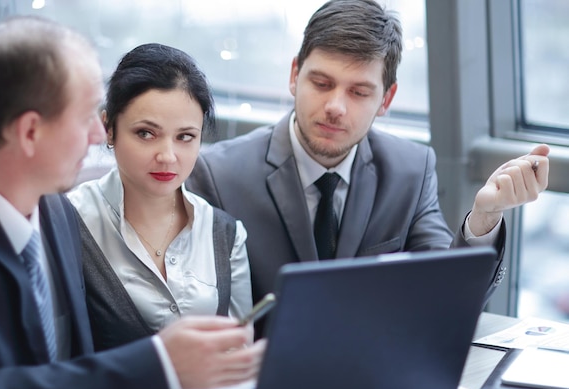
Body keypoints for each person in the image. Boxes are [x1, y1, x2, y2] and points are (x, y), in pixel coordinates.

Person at [0, 16, 263, 389]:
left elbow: (59, 363)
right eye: (86, 117)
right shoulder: (71, 213)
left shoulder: (52, 209)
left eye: (186, 136)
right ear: (29, 133)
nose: (99, 134)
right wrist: (161, 363)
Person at [186, 0, 550, 338]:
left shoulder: (410, 169)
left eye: (359, 92)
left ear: (386, 99)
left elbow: (447, 295)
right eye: (321, 83)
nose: (335, 107)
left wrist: (485, 217)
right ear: (295, 74)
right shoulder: (218, 174)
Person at [67, 43, 253, 351]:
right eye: (146, 133)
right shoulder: (69, 222)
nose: (167, 156)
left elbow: (238, 353)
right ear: (108, 129)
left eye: (185, 137)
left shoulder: (225, 235)